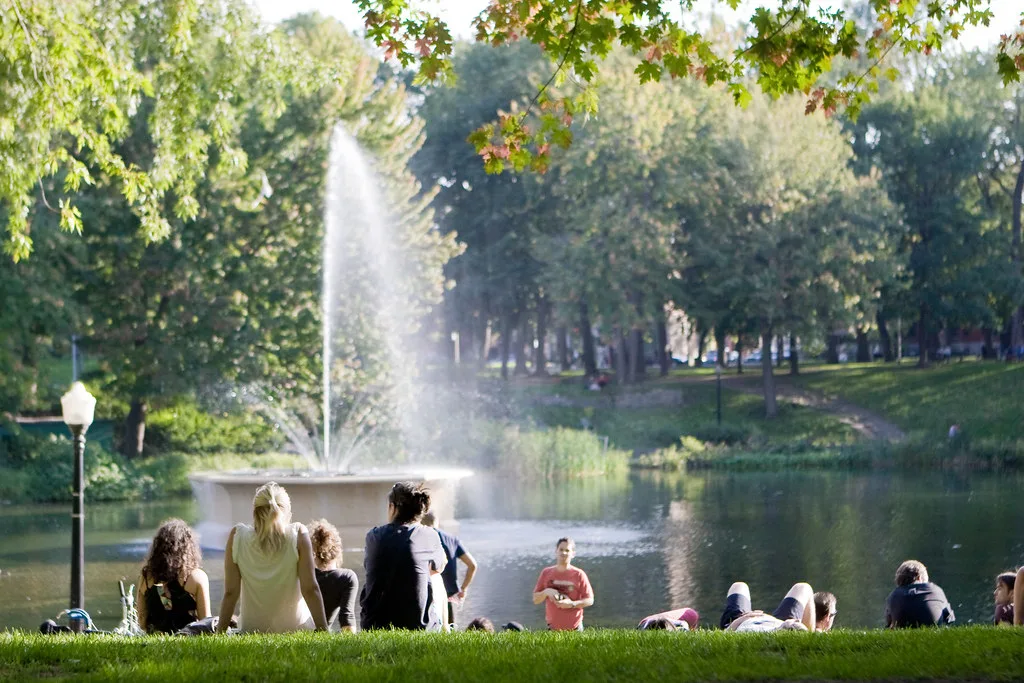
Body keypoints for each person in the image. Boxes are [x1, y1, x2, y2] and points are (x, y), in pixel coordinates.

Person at [216, 482, 328, 633]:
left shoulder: (237, 536)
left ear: (254, 512)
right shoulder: (298, 534)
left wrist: (220, 632)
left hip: (252, 630)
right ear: (287, 512)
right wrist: (323, 630)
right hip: (296, 629)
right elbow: (310, 589)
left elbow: (231, 593)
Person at [360, 482, 448, 630]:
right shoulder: (429, 535)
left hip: (373, 624)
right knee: (436, 578)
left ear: (392, 507)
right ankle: (446, 631)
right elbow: (441, 565)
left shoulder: (373, 536)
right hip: (416, 626)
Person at [135, 519, 211, 634]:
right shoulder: (197, 577)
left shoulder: (146, 577)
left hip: (155, 637)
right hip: (188, 637)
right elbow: (205, 621)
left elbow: (141, 621)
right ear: (189, 547)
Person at [421, 511, 478, 628]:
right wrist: (463, 588)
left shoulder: (420, 538)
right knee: (448, 629)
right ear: (437, 522)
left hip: (427, 593)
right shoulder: (452, 539)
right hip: (449, 595)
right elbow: (472, 565)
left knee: (426, 630)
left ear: (421, 522)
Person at [532, 537, 594, 631]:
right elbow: (536, 600)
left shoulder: (579, 574)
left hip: (575, 629)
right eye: (561, 549)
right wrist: (546, 592)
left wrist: (572, 604)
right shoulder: (546, 573)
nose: (563, 553)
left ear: (573, 554)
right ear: (556, 551)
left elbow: (590, 600)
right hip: (552, 629)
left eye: (567, 550)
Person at [309, 518, 358, 632]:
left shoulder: (305, 575)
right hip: (322, 635)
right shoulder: (346, 578)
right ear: (337, 549)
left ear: (313, 552)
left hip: (297, 631)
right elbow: (347, 619)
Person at [719, 581, 819, 632]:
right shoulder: (784, 625)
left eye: (793, 623)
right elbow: (790, 626)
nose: (795, 621)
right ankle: (810, 635)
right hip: (776, 621)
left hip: (740, 621)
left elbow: (727, 633)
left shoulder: (751, 634)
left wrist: (742, 618)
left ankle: (808, 635)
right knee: (803, 587)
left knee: (739, 586)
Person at [884, 559, 955, 628]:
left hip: (902, 630)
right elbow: (950, 618)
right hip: (933, 630)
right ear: (920, 577)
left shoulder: (894, 595)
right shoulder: (935, 590)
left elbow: (889, 623)